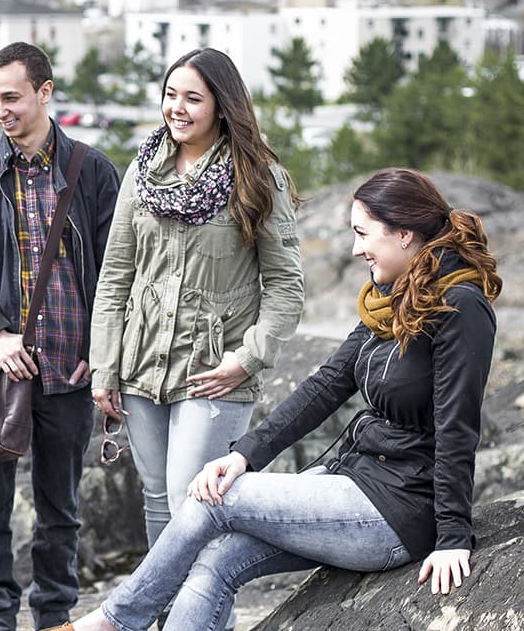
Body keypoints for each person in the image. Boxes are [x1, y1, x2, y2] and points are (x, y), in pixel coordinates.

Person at [50, 167, 501, 631]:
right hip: (357, 478)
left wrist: (452, 538)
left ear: (404, 234)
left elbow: (456, 428)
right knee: (217, 560)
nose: (354, 249)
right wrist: (246, 454)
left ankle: (111, 623)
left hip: (399, 509)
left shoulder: (461, 306)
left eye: (363, 234)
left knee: (213, 499)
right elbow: (327, 384)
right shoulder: (393, 296)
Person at [87, 47, 303, 623]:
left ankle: (206, 620)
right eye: (170, 94)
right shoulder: (144, 169)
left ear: (222, 105)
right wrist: (104, 369)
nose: (176, 108)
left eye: (192, 97)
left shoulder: (259, 178)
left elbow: (286, 287)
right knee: (158, 504)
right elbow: (114, 278)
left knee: (196, 503)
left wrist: (249, 359)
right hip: (140, 366)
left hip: (215, 371)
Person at [0, 41, 121, 631]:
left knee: (60, 512)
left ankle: (54, 618)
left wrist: (103, 355)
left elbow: (119, 273)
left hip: (71, 370)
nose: (0, 109)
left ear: (46, 93)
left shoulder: (93, 171)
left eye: (11, 97)